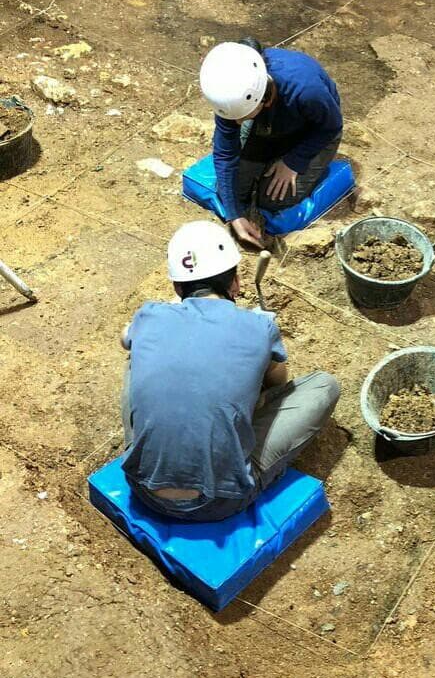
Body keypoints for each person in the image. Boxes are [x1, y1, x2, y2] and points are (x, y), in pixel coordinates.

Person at [119, 220, 340, 522]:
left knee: (136, 357)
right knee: (324, 386)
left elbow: (125, 338)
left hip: (141, 488)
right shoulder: (260, 327)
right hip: (217, 502)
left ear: (176, 287)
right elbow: (277, 385)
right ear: (235, 283)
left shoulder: (148, 316)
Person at [200, 39, 343, 249]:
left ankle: (284, 158)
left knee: (273, 199)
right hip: (267, 124)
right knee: (230, 191)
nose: (237, 123)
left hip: (313, 131)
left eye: (242, 117)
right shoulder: (230, 91)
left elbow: (332, 126)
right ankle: (270, 157)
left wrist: (294, 162)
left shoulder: (306, 90)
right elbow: (225, 154)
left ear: (264, 100)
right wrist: (234, 216)